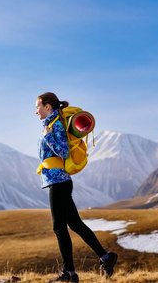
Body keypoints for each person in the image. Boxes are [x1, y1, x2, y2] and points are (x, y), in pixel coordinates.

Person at [36, 92, 118, 283]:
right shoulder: (52, 123)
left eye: (38, 106)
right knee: (75, 224)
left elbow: (63, 151)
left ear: (47, 106)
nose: (36, 111)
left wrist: (48, 137)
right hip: (59, 181)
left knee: (59, 227)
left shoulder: (55, 124)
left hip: (58, 181)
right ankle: (106, 258)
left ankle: (69, 273)